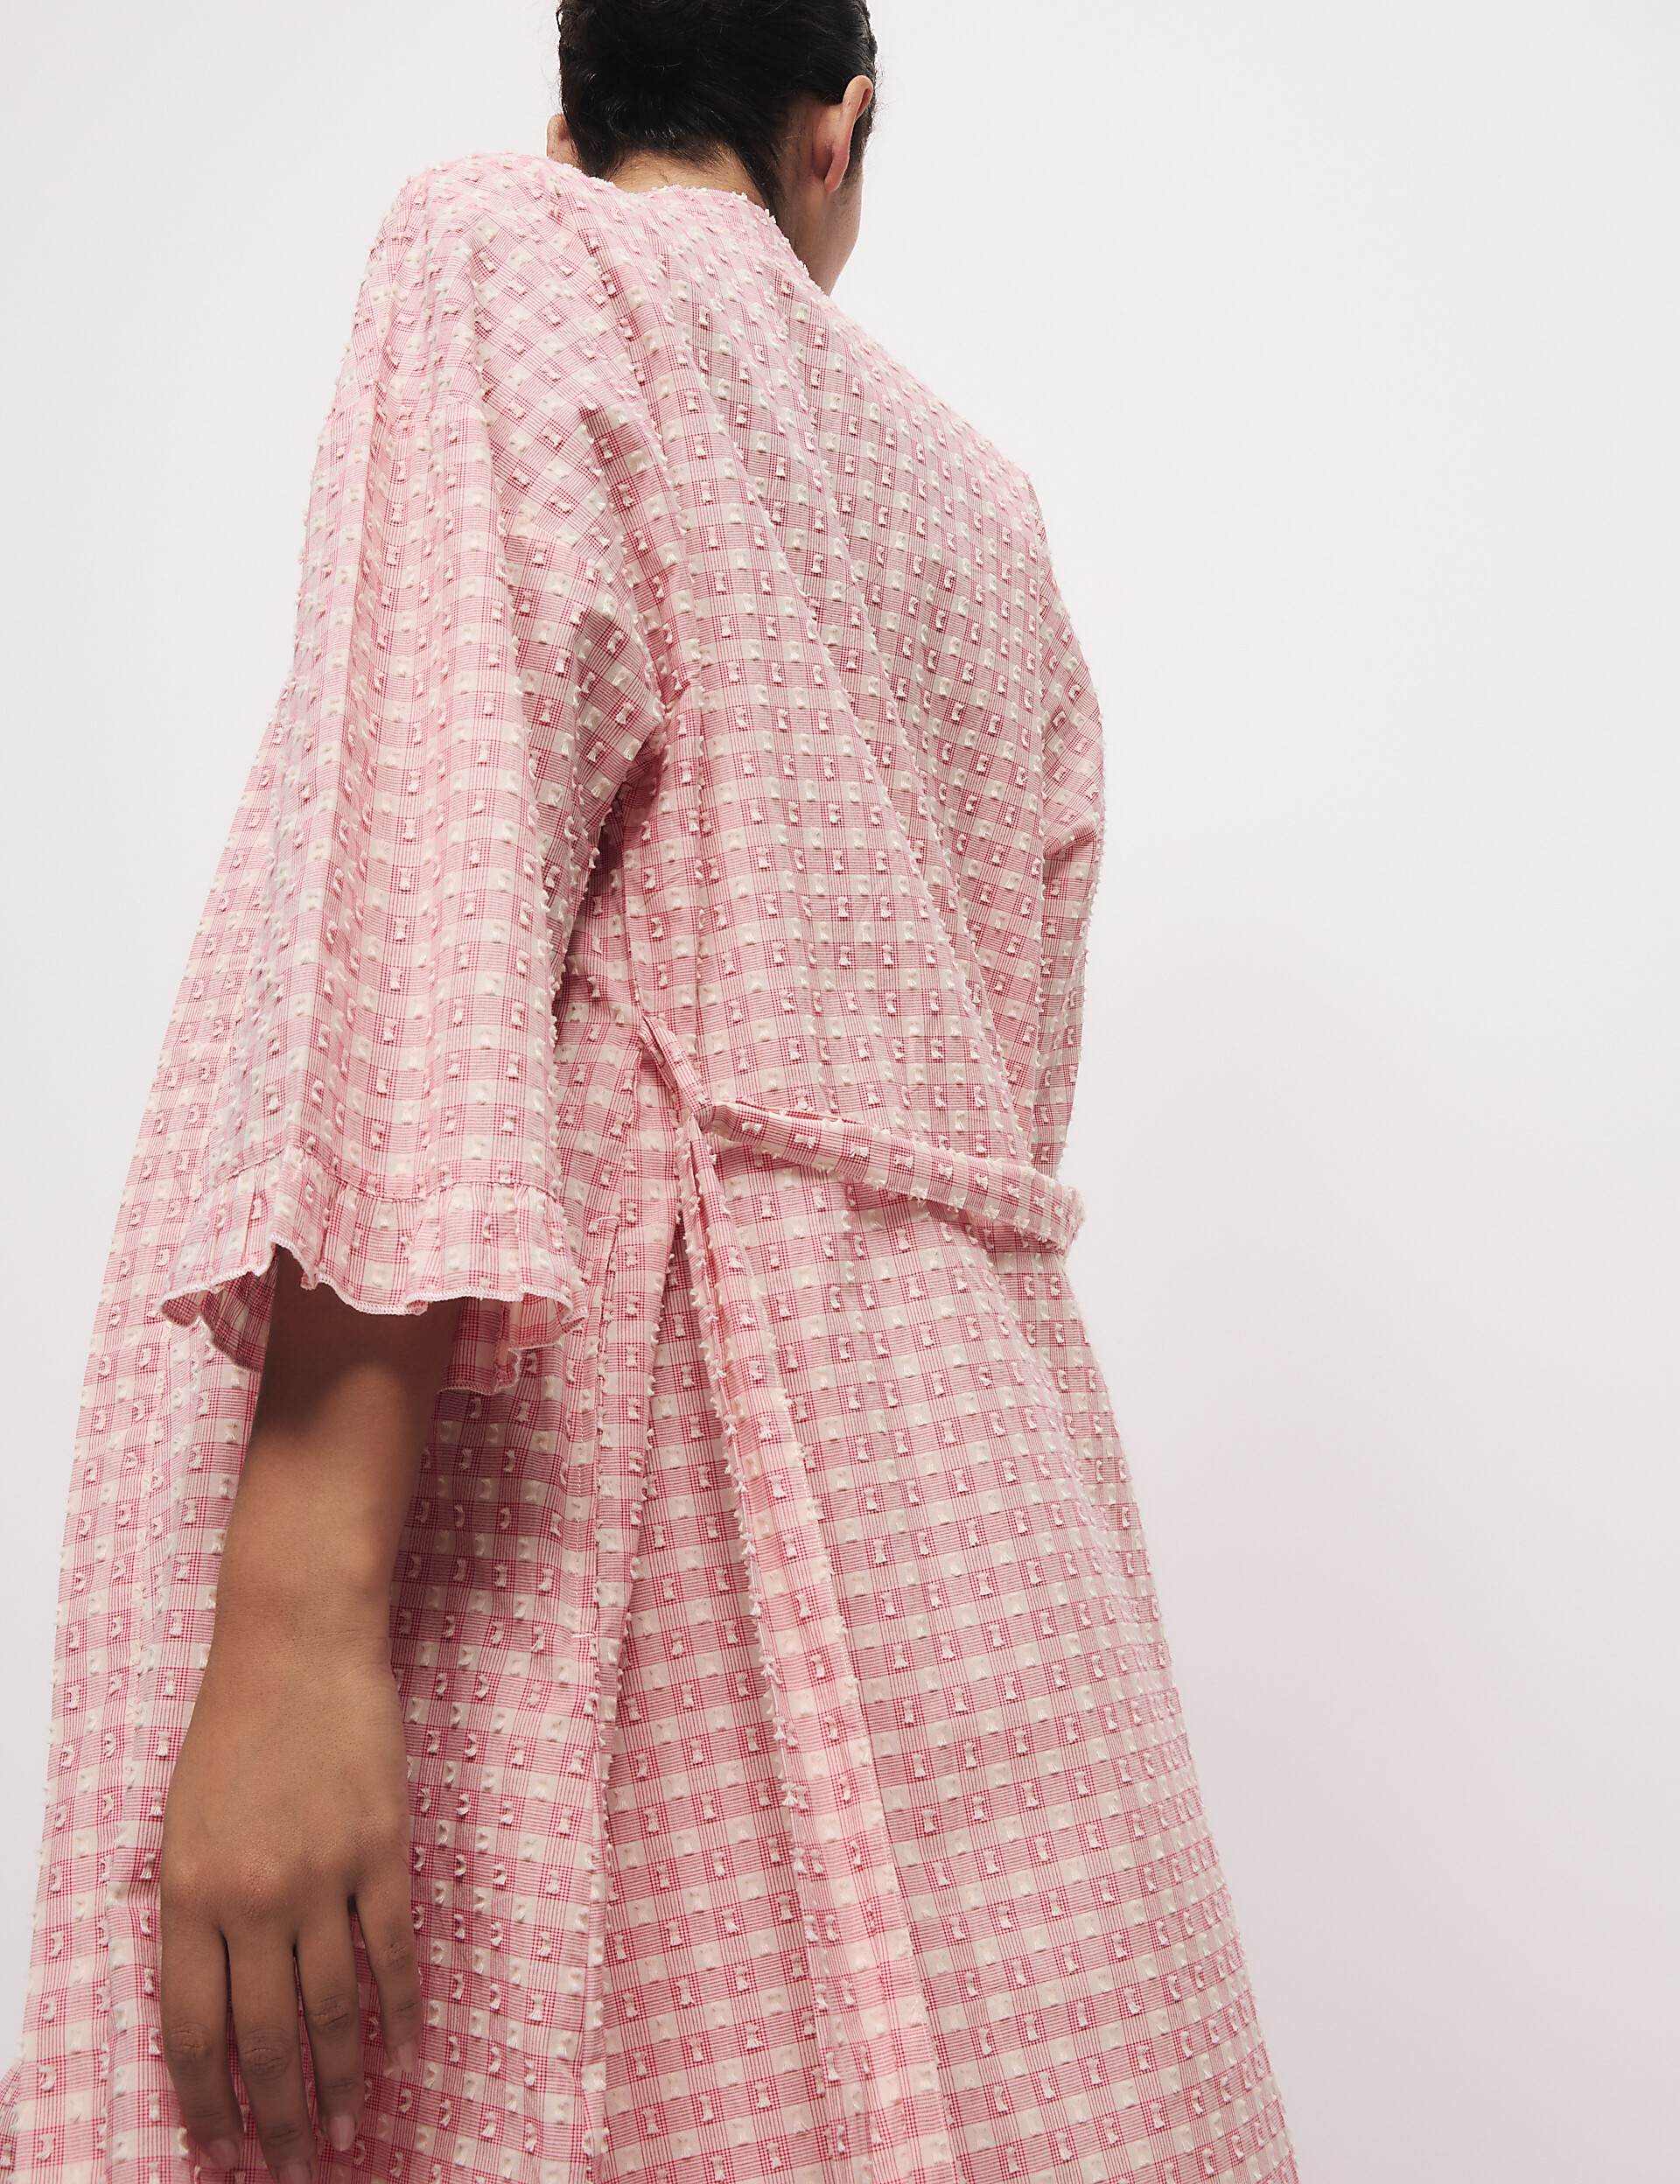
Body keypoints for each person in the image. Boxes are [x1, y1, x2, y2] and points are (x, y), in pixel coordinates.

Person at [0, 4, 1299, 2180]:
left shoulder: (520, 251)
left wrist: (298, 1613)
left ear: (567, 127)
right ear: (839, 134)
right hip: (990, 1514)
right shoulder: (990, 517)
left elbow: (430, 883)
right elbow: (1017, 1070)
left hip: (623, 1480)